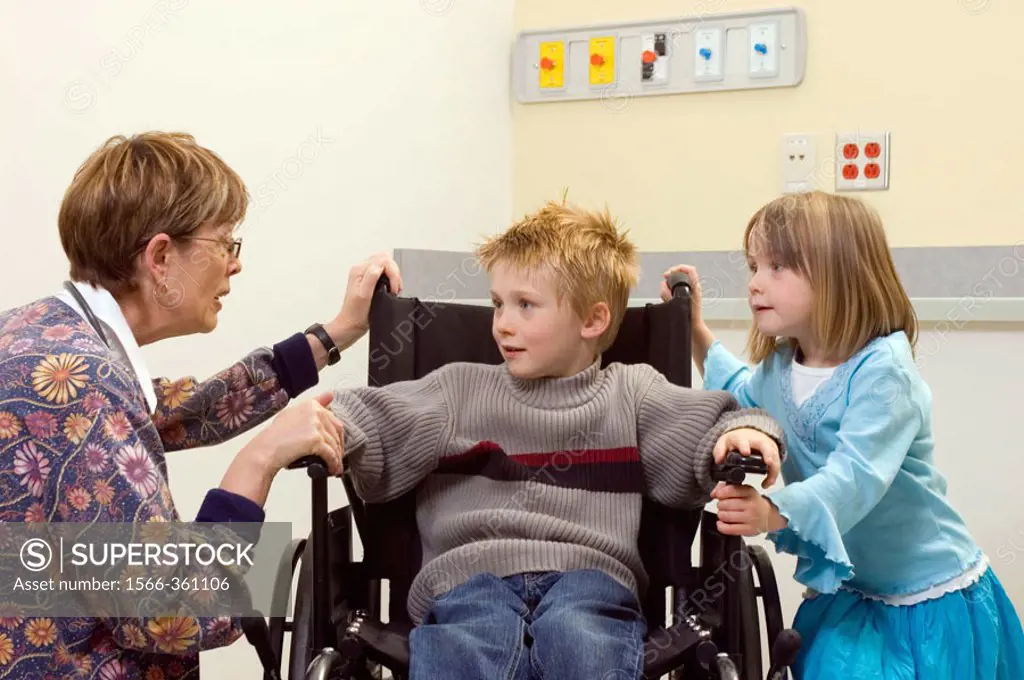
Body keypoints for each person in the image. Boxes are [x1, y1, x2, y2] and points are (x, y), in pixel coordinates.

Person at [0, 132, 403, 679]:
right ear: (161, 256)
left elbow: (180, 408)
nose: (234, 264)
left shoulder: (43, 334)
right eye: (225, 243)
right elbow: (176, 609)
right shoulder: (87, 382)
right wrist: (260, 460)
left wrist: (336, 334)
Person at [327, 199, 787, 680]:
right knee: (468, 642)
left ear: (592, 321)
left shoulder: (631, 394)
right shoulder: (457, 390)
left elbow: (716, 421)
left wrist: (746, 433)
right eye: (499, 302)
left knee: (582, 640)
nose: (503, 322)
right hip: (469, 578)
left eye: (525, 305)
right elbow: (375, 415)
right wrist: (333, 427)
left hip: (589, 581)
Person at [661, 191, 1024, 679]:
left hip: (927, 597)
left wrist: (773, 512)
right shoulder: (782, 367)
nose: (754, 284)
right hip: (857, 593)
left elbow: (854, 478)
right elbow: (740, 393)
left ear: (838, 273)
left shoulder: (885, 372)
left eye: (777, 267)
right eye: (753, 266)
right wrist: (696, 331)